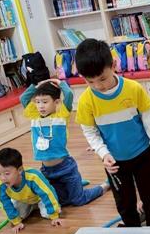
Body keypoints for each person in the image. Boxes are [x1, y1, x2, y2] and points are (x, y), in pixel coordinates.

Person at [75, 38, 150, 227]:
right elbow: (90, 131)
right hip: (114, 161)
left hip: (143, 154)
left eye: (102, 79)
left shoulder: (133, 88)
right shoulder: (85, 101)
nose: (98, 86)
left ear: (114, 65)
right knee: (124, 202)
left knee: (149, 197)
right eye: (90, 81)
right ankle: (133, 232)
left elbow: (149, 119)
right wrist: (103, 153)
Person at [20, 78, 108, 207]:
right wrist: (37, 85)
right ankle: (76, 185)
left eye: (45, 102)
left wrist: (58, 82)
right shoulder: (34, 115)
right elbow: (23, 98)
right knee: (60, 201)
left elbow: (69, 94)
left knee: (78, 200)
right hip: (47, 171)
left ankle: (104, 186)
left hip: (66, 168)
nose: (41, 106)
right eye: (37, 102)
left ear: (56, 102)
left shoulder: (61, 115)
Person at [0, 147, 63, 234]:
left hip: (40, 198)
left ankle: (40, 206)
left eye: (7, 173)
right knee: (18, 216)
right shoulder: (0, 184)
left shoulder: (33, 177)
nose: (2, 178)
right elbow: (5, 203)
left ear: (20, 170)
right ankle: (32, 207)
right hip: (23, 200)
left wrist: (54, 216)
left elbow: (47, 194)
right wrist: (16, 222)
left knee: (47, 214)